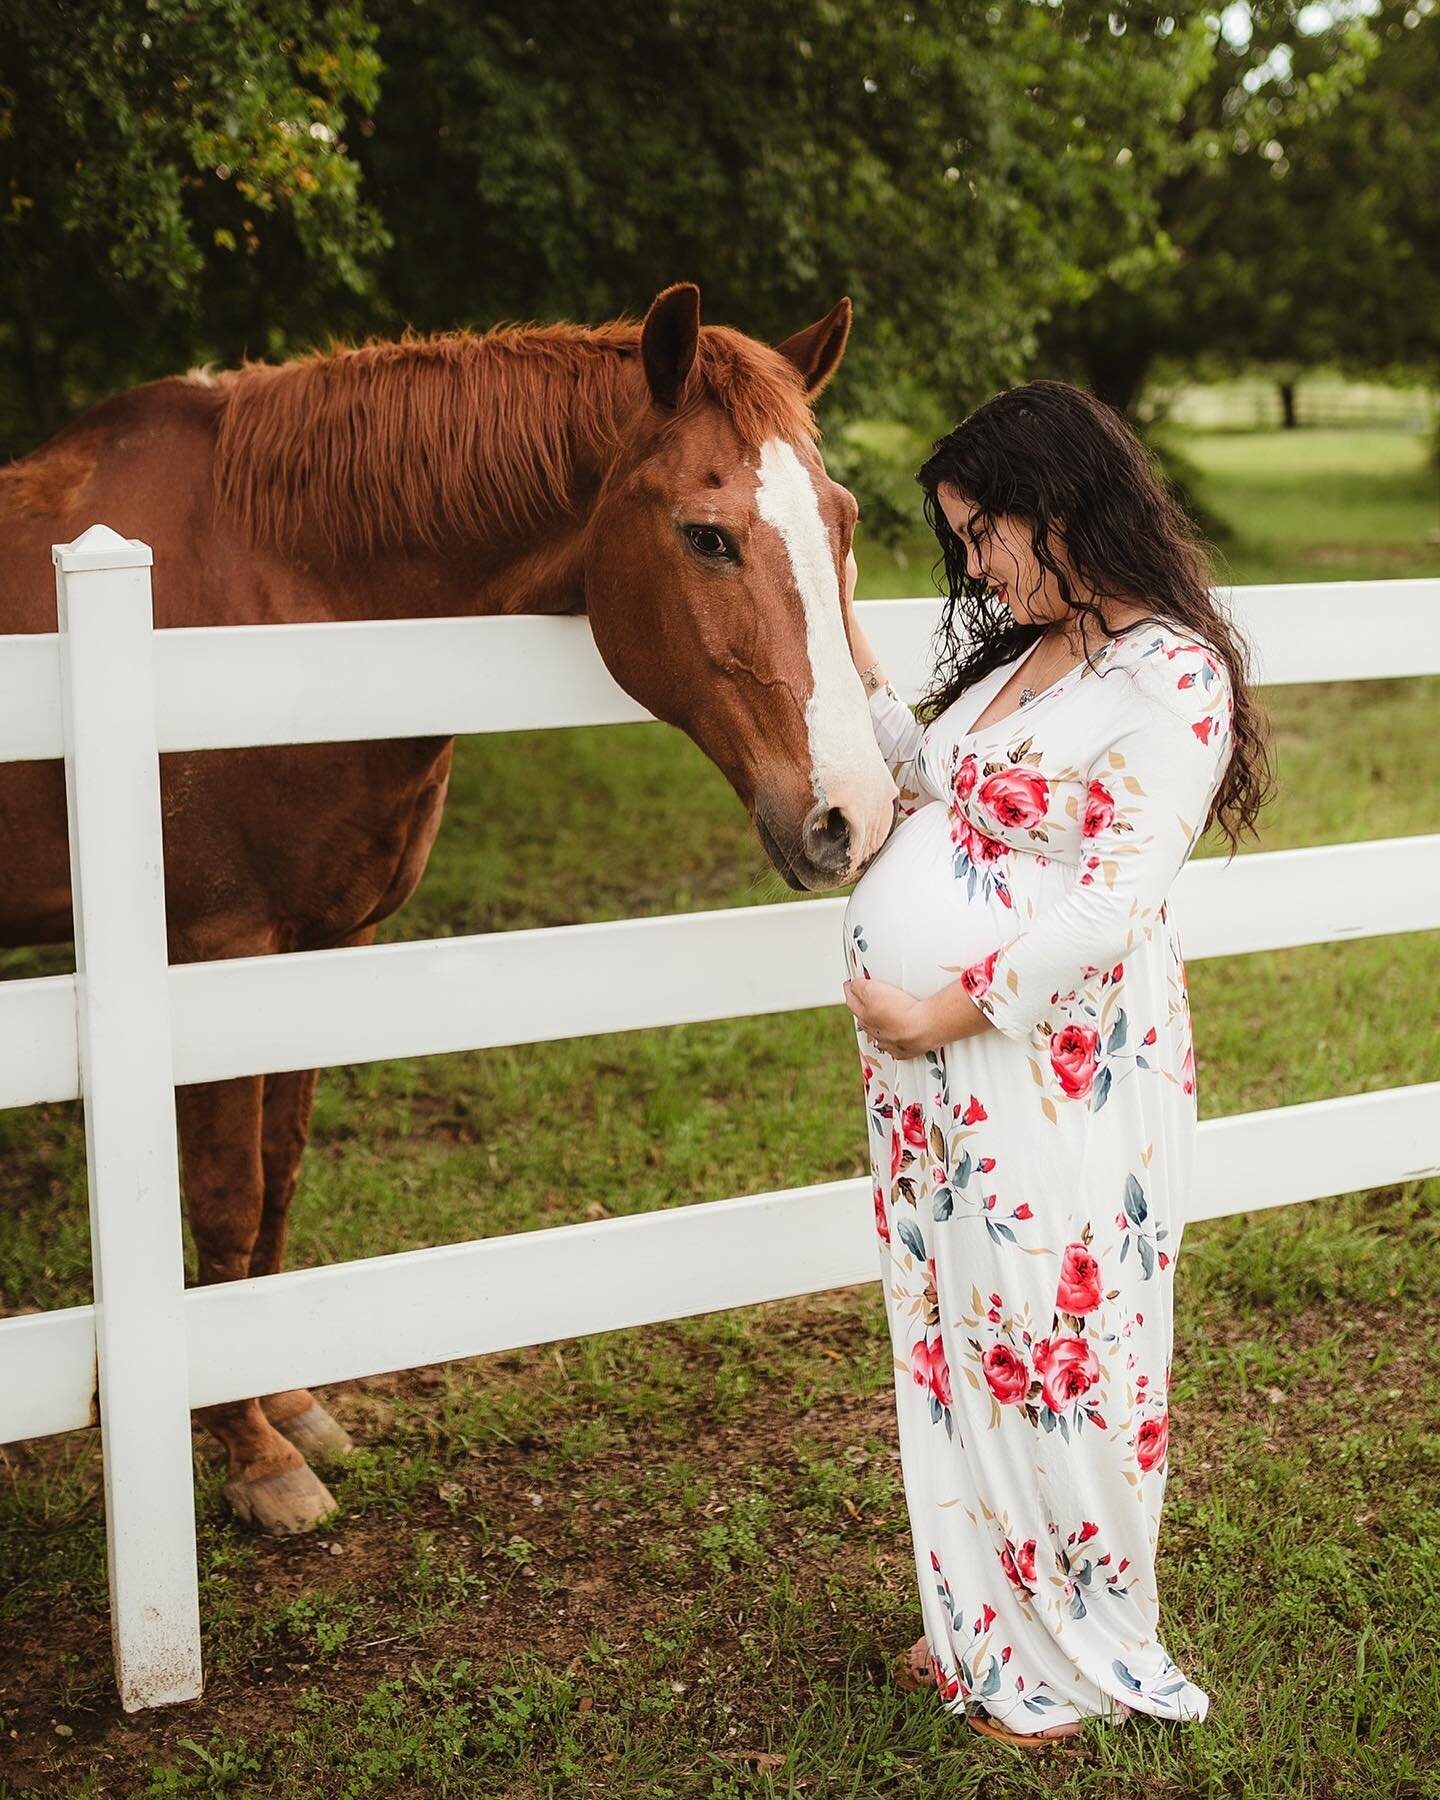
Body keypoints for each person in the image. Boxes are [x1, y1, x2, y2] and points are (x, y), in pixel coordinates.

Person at [839, 379, 1272, 1749]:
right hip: (939, 1087)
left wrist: (938, 1012)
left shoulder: (1172, 676)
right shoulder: (1026, 656)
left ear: (1062, 508)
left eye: (986, 536)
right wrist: (831, 614)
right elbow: (929, 769)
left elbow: (1108, 905)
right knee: (961, 1335)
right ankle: (982, 1614)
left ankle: (1073, 1642)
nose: (975, 566)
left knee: (1058, 1346)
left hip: (1048, 1064)